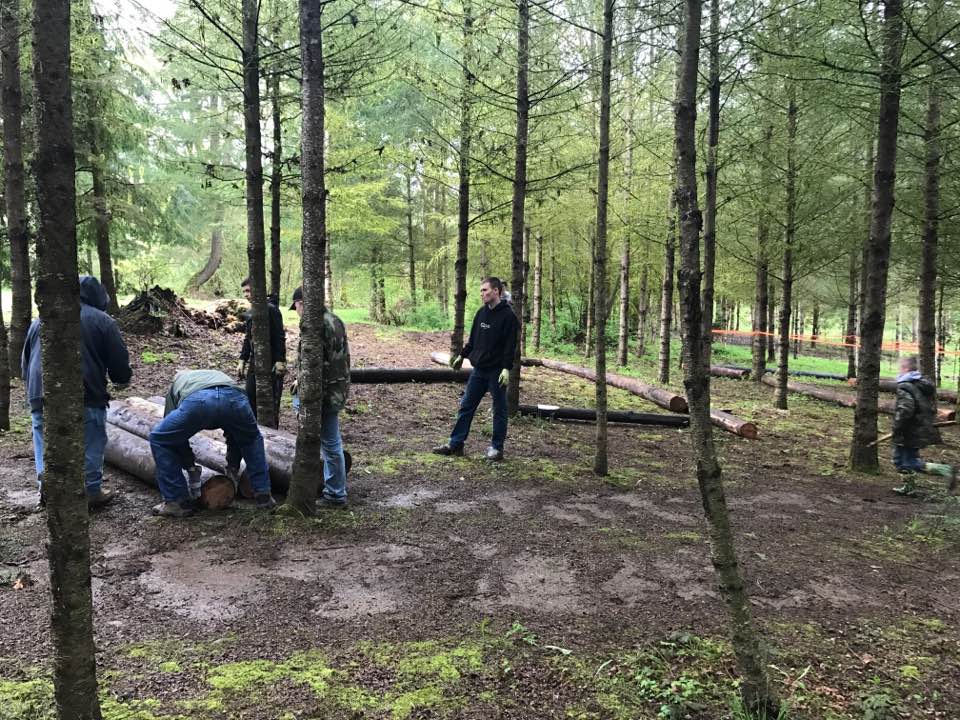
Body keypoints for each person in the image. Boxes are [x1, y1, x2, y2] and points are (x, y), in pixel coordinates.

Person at [21, 275, 132, 509]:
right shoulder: (102, 321)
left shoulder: (42, 319)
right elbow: (119, 360)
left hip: (39, 393)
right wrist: (121, 379)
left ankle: (47, 486)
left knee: (44, 439)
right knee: (92, 437)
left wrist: (32, 390)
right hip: (86, 392)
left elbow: (25, 362)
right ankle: (91, 490)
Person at [149, 369, 276, 517]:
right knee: (251, 439)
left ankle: (176, 501)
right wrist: (232, 466)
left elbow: (175, 439)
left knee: (160, 438)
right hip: (234, 399)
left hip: (199, 402)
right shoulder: (217, 375)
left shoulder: (176, 384)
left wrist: (190, 466)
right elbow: (236, 435)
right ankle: (263, 495)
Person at [433, 276, 518, 461]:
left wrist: (506, 368)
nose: (482, 294)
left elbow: (510, 346)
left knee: (499, 409)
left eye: (485, 290)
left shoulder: (508, 316)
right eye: (481, 291)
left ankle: (496, 448)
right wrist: (461, 356)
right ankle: (455, 444)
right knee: (466, 406)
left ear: (497, 291)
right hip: (479, 370)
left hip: (496, 371)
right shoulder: (481, 313)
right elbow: (473, 341)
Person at [289, 286, 351, 507]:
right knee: (331, 443)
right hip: (335, 389)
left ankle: (335, 494)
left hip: (321, 393)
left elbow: (315, 362)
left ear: (301, 303)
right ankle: (333, 489)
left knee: (329, 444)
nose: (296, 311)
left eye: (295, 306)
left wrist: (304, 386)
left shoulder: (314, 325)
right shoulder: (335, 320)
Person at [891, 355, 956, 496]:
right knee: (903, 459)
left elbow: (905, 409)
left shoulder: (905, 386)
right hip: (920, 428)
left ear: (906, 368)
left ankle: (947, 470)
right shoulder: (921, 384)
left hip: (908, 430)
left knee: (906, 461)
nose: (899, 370)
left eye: (900, 367)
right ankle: (909, 486)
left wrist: (897, 426)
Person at [237, 277, 286, 425]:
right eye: (244, 292)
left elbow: (279, 336)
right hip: (254, 361)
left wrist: (279, 360)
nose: (246, 295)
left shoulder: (270, 309)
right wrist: (242, 360)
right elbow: (248, 338)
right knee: (250, 398)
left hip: (270, 363)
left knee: (269, 402)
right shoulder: (252, 311)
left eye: (248, 291)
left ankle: (271, 434)